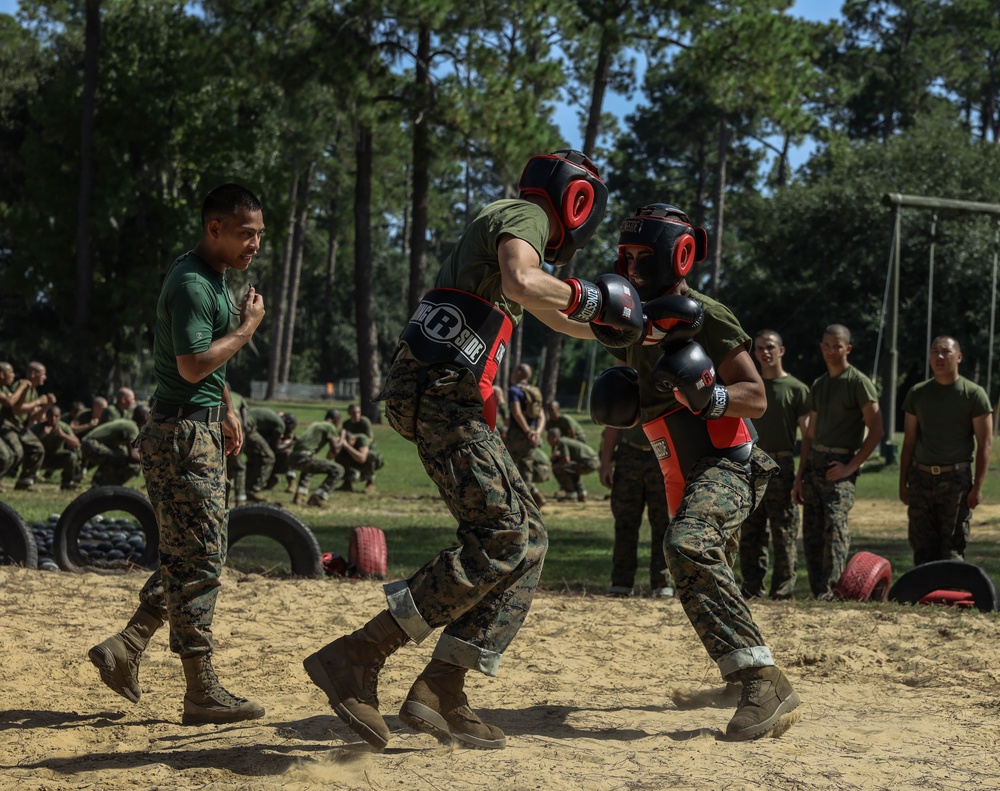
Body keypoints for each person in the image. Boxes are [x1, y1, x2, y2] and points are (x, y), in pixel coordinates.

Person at [302, 149, 642, 751]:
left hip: (439, 393)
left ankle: (444, 685)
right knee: (507, 537)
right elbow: (524, 280)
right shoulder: (527, 217)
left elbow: (544, 305)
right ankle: (360, 653)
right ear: (577, 200)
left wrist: (627, 331)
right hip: (444, 393)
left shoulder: (512, 223)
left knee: (529, 540)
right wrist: (596, 299)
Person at [590, 202, 800, 741]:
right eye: (626, 256)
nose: (632, 266)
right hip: (677, 469)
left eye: (644, 255)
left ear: (677, 256)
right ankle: (738, 678)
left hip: (727, 462)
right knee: (695, 570)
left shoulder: (706, 314)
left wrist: (713, 397)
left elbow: (754, 398)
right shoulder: (628, 318)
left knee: (686, 546)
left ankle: (763, 682)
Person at [88, 183, 266, 726]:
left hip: (199, 428)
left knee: (189, 556)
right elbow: (192, 365)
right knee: (203, 561)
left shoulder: (213, 278)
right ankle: (200, 691)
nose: (254, 244)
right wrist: (248, 328)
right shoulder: (192, 283)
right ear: (214, 228)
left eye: (259, 234)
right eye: (244, 233)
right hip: (183, 438)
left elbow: (209, 369)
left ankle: (128, 645)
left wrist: (228, 409)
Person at [792, 324, 883, 599]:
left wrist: (850, 467)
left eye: (837, 346)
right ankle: (818, 591)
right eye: (827, 345)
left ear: (848, 349)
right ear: (821, 347)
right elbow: (808, 434)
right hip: (815, 463)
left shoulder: (858, 382)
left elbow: (877, 430)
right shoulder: (819, 385)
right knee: (812, 532)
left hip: (840, 463)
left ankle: (835, 591)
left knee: (835, 527)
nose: (832, 351)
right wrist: (800, 476)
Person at [899, 336, 993, 566]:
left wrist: (977, 487)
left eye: (946, 352)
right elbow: (909, 441)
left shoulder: (974, 395)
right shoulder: (917, 394)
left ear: (958, 357)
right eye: (934, 352)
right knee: (921, 547)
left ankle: (948, 597)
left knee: (952, 547)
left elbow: (985, 444)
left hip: (956, 480)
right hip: (920, 479)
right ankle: (922, 598)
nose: (939, 357)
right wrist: (903, 483)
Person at [738, 329, 810, 600]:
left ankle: (783, 590)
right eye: (758, 348)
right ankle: (752, 587)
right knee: (751, 531)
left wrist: (800, 477)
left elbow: (808, 437)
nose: (764, 353)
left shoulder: (797, 389)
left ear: (781, 351)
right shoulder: (749, 387)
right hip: (751, 464)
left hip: (782, 466)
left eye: (769, 347)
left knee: (784, 531)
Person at [599, 423, 673, 598]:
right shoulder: (624, 394)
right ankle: (621, 583)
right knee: (625, 521)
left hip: (662, 454)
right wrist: (605, 464)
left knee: (663, 523)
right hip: (628, 456)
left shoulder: (670, 393)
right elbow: (612, 427)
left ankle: (661, 582)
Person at [3, 361, 56, 491]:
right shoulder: (20, 386)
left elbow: (33, 417)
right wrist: (38, 402)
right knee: (13, 453)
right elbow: (17, 409)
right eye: (43, 374)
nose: (45, 377)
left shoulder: (33, 391)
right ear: (33, 374)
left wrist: (47, 405)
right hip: (8, 425)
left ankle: (24, 482)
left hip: (20, 427)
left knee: (37, 449)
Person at [504, 363, 547, 507]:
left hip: (518, 434)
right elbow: (541, 416)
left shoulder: (514, 390)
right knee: (526, 469)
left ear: (518, 373)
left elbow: (516, 412)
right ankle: (528, 504)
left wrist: (527, 431)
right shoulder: (535, 391)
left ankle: (510, 502)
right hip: (532, 435)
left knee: (508, 466)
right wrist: (536, 433)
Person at [81, 406, 150, 487]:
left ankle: (98, 482)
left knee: (120, 454)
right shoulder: (132, 428)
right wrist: (150, 461)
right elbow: (133, 455)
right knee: (130, 463)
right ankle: (105, 485)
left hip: (88, 443)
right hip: (90, 444)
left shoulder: (129, 424)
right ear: (145, 417)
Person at [289, 408, 345, 506]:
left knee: (309, 468)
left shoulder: (315, 424)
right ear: (336, 420)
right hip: (305, 456)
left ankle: (300, 495)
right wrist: (342, 437)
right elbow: (335, 449)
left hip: (292, 457)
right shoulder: (329, 426)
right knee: (339, 470)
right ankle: (319, 496)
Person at [31, 404, 82, 490]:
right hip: (40, 458)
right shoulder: (38, 427)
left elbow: (77, 443)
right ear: (46, 416)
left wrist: (63, 435)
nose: (53, 419)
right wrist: (42, 435)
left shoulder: (63, 427)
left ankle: (67, 483)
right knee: (32, 454)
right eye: (51, 416)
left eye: (56, 416)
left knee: (71, 456)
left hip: (56, 457)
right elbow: (28, 443)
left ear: (60, 417)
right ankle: (27, 479)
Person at [0, 362, 31, 490]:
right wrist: (21, 387)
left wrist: (24, 391)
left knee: (11, 455)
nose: (13, 375)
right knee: (5, 456)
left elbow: (16, 406)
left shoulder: (4, 389)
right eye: (11, 373)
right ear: (2, 374)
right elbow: (9, 402)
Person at [244, 405, 285, 501]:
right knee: (269, 457)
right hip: (248, 428)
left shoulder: (270, 418)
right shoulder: (281, 424)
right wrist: (292, 442)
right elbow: (276, 447)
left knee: (254, 458)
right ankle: (254, 490)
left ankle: (246, 489)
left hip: (242, 425)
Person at [546, 426, 598, 501]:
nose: (548, 441)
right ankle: (581, 493)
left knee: (561, 468)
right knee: (572, 469)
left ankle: (571, 493)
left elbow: (566, 460)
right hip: (593, 461)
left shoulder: (562, 442)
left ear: (554, 437)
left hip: (590, 462)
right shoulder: (565, 440)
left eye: (548, 438)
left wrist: (554, 467)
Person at [334, 430, 384, 494]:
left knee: (370, 455)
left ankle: (370, 483)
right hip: (356, 460)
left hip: (372, 462)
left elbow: (362, 458)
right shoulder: (344, 441)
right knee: (340, 455)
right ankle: (347, 483)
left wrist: (347, 446)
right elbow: (329, 456)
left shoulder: (362, 439)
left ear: (353, 439)